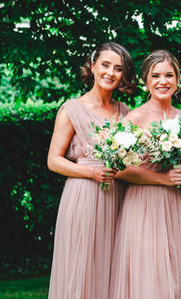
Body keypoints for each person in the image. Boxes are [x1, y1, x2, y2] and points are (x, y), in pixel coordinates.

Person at [47, 43, 135, 299]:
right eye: (105, 65)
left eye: (118, 69)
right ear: (93, 66)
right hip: (83, 195)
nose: (110, 73)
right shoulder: (72, 109)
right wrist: (91, 174)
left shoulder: (125, 112)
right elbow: (53, 161)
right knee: (81, 263)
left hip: (117, 195)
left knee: (111, 265)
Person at [109, 50, 181, 299]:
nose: (162, 81)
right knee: (147, 273)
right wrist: (162, 179)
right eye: (155, 76)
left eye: (169, 75)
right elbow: (118, 168)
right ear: (146, 81)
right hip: (143, 204)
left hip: (176, 204)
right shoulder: (134, 118)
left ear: (177, 79)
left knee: (174, 272)